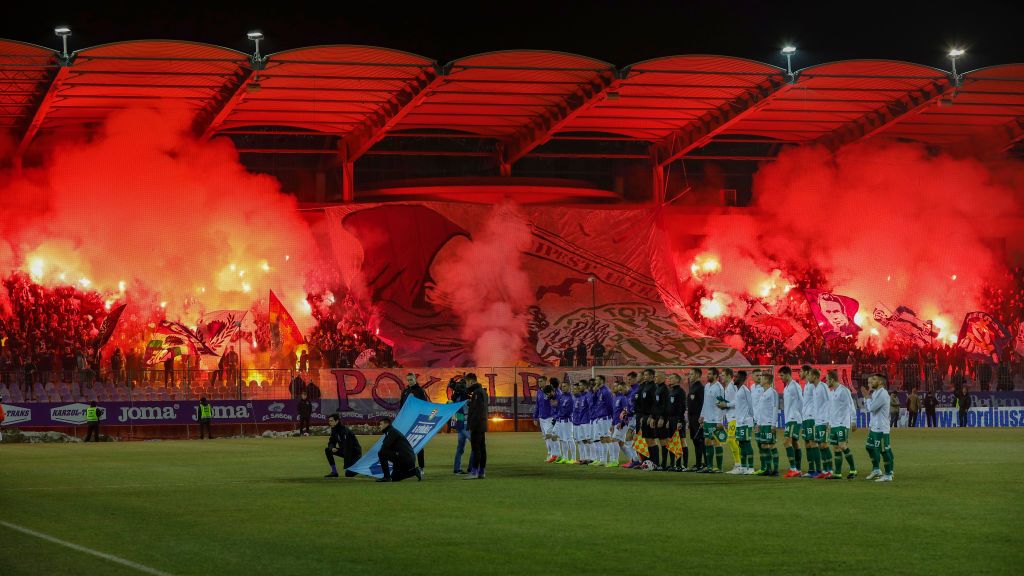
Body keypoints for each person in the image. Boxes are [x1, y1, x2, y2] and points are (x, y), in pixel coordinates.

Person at [823, 370, 857, 480]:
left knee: (842, 446)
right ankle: (837, 473)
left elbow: (851, 405)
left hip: (842, 423)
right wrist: (829, 423)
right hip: (834, 424)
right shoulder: (832, 392)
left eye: (827, 380)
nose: (826, 382)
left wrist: (853, 420)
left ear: (832, 380)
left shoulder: (844, 391)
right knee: (836, 448)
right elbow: (831, 409)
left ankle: (853, 470)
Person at [863, 374, 895, 482]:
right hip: (874, 427)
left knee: (884, 451)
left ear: (880, 382)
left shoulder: (883, 394)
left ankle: (888, 474)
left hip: (881, 428)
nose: (871, 382)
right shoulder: (876, 393)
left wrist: (867, 398)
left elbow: (871, 408)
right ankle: (876, 469)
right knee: (869, 447)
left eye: (874, 380)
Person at [375, 416, 419, 482]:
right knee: (395, 478)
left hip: (404, 459)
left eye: (381, 424)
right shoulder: (391, 431)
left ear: (387, 424)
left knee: (381, 453)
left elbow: (384, 447)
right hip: (405, 458)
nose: (379, 426)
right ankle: (415, 472)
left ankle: (386, 477)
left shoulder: (391, 432)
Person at [400, 373, 429, 470]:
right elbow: (402, 407)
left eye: (411, 379)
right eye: (408, 380)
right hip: (407, 421)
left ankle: (421, 467)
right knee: (406, 445)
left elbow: (425, 405)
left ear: (415, 379)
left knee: (419, 444)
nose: (410, 381)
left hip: (417, 421)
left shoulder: (420, 391)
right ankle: (409, 466)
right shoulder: (405, 391)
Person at [700, 368, 725, 473]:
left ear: (715, 376)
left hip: (715, 420)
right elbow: (705, 402)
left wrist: (720, 421)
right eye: (707, 373)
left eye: (709, 374)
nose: (707, 375)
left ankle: (719, 467)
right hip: (707, 419)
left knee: (716, 441)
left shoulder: (719, 388)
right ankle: (709, 466)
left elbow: (721, 405)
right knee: (707, 441)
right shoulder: (707, 386)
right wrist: (702, 415)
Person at [780, 366, 804, 478]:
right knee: (794, 442)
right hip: (790, 418)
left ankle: (793, 468)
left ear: (788, 374)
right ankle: (798, 469)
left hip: (794, 418)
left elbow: (801, 401)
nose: (780, 377)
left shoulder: (795, 386)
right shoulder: (786, 388)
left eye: (782, 375)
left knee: (786, 442)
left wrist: (800, 416)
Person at [753, 373, 779, 476]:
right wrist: (758, 423)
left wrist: (773, 424)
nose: (760, 379)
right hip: (762, 424)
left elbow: (775, 408)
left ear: (767, 380)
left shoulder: (772, 392)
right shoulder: (764, 393)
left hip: (769, 424)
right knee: (763, 445)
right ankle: (768, 469)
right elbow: (760, 410)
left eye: (762, 378)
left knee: (771, 445)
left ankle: (776, 470)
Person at [323, 413, 362, 478]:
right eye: (329, 421)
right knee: (328, 450)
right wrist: (332, 447)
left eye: (331, 421)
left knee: (348, 474)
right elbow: (331, 441)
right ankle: (334, 472)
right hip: (345, 451)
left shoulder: (344, 431)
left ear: (337, 421)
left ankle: (361, 468)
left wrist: (347, 465)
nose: (329, 422)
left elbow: (348, 448)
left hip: (354, 454)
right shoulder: (334, 429)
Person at [464, 373, 488, 479]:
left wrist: (471, 425)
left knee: (476, 449)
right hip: (482, 424)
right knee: (482, 448)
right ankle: (481, 471)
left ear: (471, 382)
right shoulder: (482, 391)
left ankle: (474, 472)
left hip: (477, 425)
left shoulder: (477, 393)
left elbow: (477, 412)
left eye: (466, 382)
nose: (466, 385)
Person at [590, 375, 616, 466]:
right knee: (602, 439)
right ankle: (603, 460)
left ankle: (613, 460)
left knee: (608, 438)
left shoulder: (606, 391)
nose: (595, 381)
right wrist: (594, 392)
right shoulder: (599, 391)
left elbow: (610, 406)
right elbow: (594, 402)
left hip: (606, 418)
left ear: (602, 380)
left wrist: (613, 420)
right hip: (599, 418)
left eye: (597, 380)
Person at [448, 378, 471, 474]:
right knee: (476, 446)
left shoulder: (455, 399)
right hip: (466, 425)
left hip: (460, 425)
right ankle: (471, 468)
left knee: (460, 448)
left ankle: (457, 469)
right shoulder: (466, 398)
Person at [720, 368, 741, 473]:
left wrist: (726, 404)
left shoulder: (733, 386)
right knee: (734, 441)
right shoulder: (727, 387)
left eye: (723, 375)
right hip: (730, 418)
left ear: (729, 376)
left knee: (731, 440)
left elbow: (738, 401)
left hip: (735, 417)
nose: (721, 377)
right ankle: (739, 464)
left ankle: (738, 464)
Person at [666, 373, 687, 471]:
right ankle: (672, 464)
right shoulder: (671, 391)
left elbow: (682, 407)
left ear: (678, 380)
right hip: (671, 420)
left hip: (678, 420)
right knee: (672, 442)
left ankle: (682, 465)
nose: (670, 379)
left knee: (681, 441)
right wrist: (667, 420)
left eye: (672, 378)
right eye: (669, 378)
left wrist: (680, 421)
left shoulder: (681, 391)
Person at [532, 376, 557, 463]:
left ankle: (553, 454)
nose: (539, 383)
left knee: (549, 436)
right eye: (538, 381)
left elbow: (555, 403)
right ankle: (550, 453)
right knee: (546, 437)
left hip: (549, 417)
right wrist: (535, 417)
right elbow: (537, 405)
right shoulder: (538, 392)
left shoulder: (550, 391)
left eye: (541, 381)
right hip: (541, 418)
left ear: (546, 382)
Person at [686, 368, 706, 471]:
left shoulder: (700, 388)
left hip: (698, 418)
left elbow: (703, 403)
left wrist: (702, 417)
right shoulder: (692, 387)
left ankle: (705, 464)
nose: (690, 376)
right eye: (689, 374)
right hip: (692, 418)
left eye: (692, 374)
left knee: (700, 441)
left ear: (698, 375)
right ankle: (699, 463)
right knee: (695, 441)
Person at [554, 378, 575, 464]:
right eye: (562, 386)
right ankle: (565, 457)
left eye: (565, 386)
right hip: (561, 420)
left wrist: (560, 415)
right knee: (562, 439)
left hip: (567, 421)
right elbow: (558, 408)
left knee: (570, 439)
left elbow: (569, 411)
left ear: (569, 387)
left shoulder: (571, 398)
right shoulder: (562, 396)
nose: (563, 388)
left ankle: (573, 458)